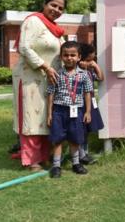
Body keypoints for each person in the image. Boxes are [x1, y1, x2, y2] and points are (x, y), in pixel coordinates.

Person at [12, 0, 66, 171]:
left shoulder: (55, 30)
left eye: (60, 8)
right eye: (53, 5)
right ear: (44, 3)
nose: (56, 10)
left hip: (49, 79)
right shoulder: (33, 21)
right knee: (31, 117)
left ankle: (43, 156)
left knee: (45, 116)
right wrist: (45, 67)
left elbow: (64, 53)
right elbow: (24, 47)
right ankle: (32, 160)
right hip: (30, 77)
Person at [47, 41, 93, 178]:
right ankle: (56, 166)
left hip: (77, 111)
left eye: (73, 55)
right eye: (66, 55)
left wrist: (88, 111)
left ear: (79, 57)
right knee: (57, 139)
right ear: (61, 57)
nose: (69, 58)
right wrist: (49, 114)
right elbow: (51, 94)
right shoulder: (56, 74)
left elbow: (87, 93)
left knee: (75, 139)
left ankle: (76, 163)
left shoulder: (84, 75)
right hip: (59, 111)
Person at [77, 43, 104, 164]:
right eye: (90, 58)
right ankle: (80, 154)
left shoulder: (89, 70)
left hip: (90, 103)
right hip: (80, 104)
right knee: (80, 129)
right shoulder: (78, 70)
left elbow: (101, 77)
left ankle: (85, 152)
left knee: (87, 130)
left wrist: (95, 65)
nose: (92, 60)